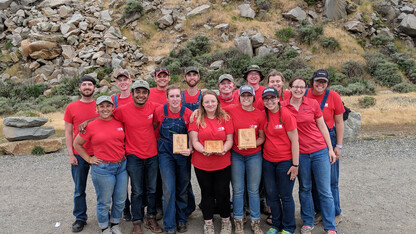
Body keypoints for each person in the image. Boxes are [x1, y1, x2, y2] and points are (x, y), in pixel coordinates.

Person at [281, 77, 337, 234]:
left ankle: (330, 225)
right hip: (301, 154)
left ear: (305, 89)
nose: (298, 89)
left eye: (301, 87)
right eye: (295, 87)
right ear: (289, 88)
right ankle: (308, 222)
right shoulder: (283, 106)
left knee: (325, 190)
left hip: (319, 151)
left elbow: (322, 126)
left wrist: (330, 149)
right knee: (305, 188)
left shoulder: (312, 104)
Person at [113, 80, 162, 234]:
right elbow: (106, 117)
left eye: (144, 92)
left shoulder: (154, 107)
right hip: (133, 155)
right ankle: (137, 221)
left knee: (152, 189)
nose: (141, 95)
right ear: (133, 93)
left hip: (152, 154)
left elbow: (156, 123)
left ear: (148, 94)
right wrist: (87, 121)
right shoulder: (122, 109)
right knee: (137, 190)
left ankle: (151, 217)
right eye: (138, 92)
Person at [73, 96, 127, 234]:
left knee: (120, 199)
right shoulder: (91, 126)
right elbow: (77, 144)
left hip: (121, 166)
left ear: (112, 108)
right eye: (101, 106)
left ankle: (115, 223)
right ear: (97, 109)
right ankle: (104, 227)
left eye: (108, 106)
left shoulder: (120, 122)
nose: (105, 109)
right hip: (103, 169)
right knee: (104, 201)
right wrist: (89, 159)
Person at [188, 90, 234, 234]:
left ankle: (226, 220)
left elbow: (229, 139)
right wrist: (202, 150)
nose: (210, 104)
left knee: (223, 193)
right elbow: (194, 140)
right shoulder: (196, 118)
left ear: (217, 102)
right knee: (206, 193)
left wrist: (224, 149)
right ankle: (208, 222)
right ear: (202, 103)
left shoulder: (225, 117)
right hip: (202, 163)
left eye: (213, 101)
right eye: (206, 101)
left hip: (222, 163)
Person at [223, 85, 265, 234]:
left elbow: (261, 137)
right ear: (239, 96)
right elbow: (213, 108)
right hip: (236, 155)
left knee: (253, 190)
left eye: (249, 95)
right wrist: (196, 112)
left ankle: (255, 221)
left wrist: (252, 144)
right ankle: (239, 220)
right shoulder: (231, 109)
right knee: (238, 189)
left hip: (254, 155)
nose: (246, 98)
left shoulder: (260, 114)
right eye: (243, 95)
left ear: (253, 97)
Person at [305, 69, 345, 225]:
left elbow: (340, 122)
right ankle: (320, 211)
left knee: (332, 180)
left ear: (327, 83)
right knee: (315, 180)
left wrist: (338, 146)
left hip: (330, 138)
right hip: (310, 140)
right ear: (312, 81)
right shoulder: (304, 93)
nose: (320, 84)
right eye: (317, 81)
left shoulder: (333, 96)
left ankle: (335, 212)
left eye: (323, 81)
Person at [153, 84, 193, 234]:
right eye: (172, 96)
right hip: (165, 152)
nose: (175, 99)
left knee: (182, 187)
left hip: (183, 153)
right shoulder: (160, 111)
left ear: (181, 98)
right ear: (167, 98)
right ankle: (169, 225)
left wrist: (190, 149)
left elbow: (193, 134)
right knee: (168, 188)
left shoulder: (188, 113)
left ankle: (181, 219)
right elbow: (154, 127)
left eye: (177, 96)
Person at [261, 87, 299, 234]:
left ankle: (288, 227)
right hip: (268, 160)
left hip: (285, 161)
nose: (269, 101)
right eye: (266, 99)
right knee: (271, 194)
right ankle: (276, 224)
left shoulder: (286, 115)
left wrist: (295, 164)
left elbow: (295, 140)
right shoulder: (264, 115)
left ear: (278, 99)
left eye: (272, 98)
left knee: (285, 195)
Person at [64, 75, 99, 233]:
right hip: (79, 153)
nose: (87, 87)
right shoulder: (71, 107)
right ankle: (80, 217)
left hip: (99, 152)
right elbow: (68, 132)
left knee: (103, 187)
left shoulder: (100, 105)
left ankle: (104, 213)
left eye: (90, 85)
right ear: (79, 88)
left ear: (94, 88)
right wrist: (71, 154)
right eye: (84, 84)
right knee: (79, 188)